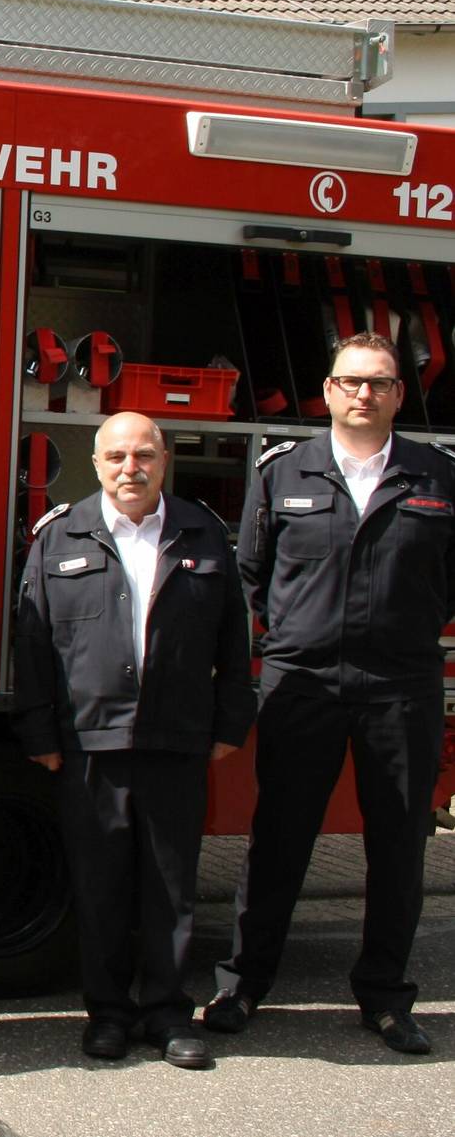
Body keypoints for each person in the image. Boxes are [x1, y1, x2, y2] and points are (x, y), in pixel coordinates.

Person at [206, 332, 455, 1055]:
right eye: (351, 381)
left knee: (399, 847)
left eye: (379, 382)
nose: (364, 394)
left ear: (399, 395)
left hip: (401, 684)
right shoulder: (285, 472)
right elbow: (250, 571)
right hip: (302, 682)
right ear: (328, 389)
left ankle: (385, 997)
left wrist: (406, 630)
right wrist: (288, 637)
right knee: (278, 840)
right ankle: (244, 984)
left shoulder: (437, 476)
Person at [13, 411, 252, 1069]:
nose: (130, 467)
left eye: (143, 453)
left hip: (176, 739)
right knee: (100, 888)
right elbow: (31, 644)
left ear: (164, 458)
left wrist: (231, 723)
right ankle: (109, 1015)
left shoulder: (202, 532)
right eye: (116, 455)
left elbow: (236, 638)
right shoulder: (60, 536)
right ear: (96, 463)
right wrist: (39, 730)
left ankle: (169, 1014)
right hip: (91, 742)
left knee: (171, 887)